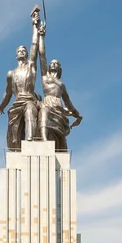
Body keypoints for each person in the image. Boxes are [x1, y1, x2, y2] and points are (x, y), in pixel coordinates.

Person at [0, 7, 42, 150]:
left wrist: (35, 25)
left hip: (29, 100)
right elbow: (8, 93)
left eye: (24, 50)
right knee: (14, 137)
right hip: (16, 103)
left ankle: (31, 140)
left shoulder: (31, 67)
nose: (22, 51)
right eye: (19, 51)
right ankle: (16, 149)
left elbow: (34, 45)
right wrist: (1, 106)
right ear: (16, 55)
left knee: (30, 111)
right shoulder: (11, 74)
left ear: (26, 54)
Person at [36, 22, 82, 151]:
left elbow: (69, 104)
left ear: (59, 68)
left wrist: (78, 115)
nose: (53, 64)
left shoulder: (61, 86)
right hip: (47, 102)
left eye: (56, 63)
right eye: (52, 63)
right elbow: (42, 55)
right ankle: (44, 139)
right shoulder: (45, 77)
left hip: (58, 107)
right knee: (43, 113)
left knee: (59, 136)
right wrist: (42, 36)